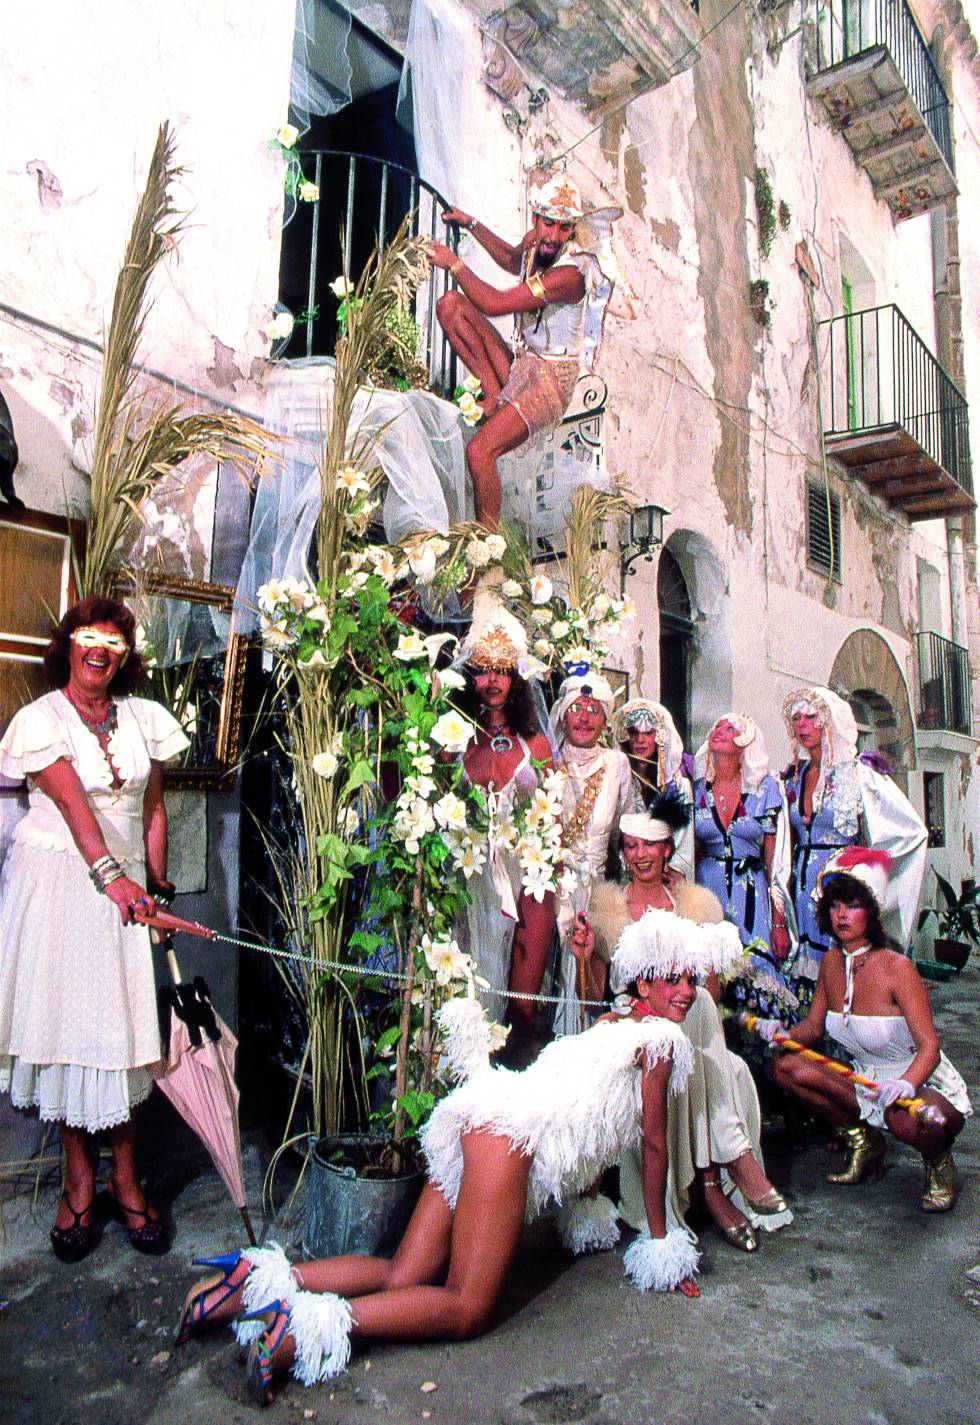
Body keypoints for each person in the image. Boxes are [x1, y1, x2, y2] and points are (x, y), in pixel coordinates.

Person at [173, 914, 718, 1405]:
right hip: (505, 1134)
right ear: (643, 981)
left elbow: (591, 1122)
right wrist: (661, 1242)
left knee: (402, 1274)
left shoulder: (613, 1022)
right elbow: (651, 1143)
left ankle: (247, 1283)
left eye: (692, 978)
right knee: (465, 1308)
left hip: (480, 1109)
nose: (687, 991)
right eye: (674, 978)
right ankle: (294, 1334)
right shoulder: (661, 1042)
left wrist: (589, 1199)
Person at [0, 595, 189, 1260]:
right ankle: (77, 1181)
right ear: (69, 646)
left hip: (128, 890)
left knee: (126, 1034)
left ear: (123, 656)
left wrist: (155, 885)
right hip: (59, 883)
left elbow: (154, 809)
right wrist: (117, 882)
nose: (99, 651)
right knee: (67, 1029)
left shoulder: (144, 719)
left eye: (113, 642)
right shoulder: (39, 720)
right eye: (88, 638)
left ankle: (126, 1178)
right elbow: (76, 807)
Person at [568, 804, 792, 1254]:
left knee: (703, 1008)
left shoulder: (696, 906)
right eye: (630, 846)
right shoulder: (607, 908)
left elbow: (705, 990)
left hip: (690, 1027)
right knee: (693, 1033)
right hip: (633, 1026)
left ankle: (711, 1182)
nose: (640, 855)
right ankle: (723, 1169)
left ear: (669, 848)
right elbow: (595, 996)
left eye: (650, 844)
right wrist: (585, 955)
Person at [758, 848, 970, 1212]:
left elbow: (930, 1048)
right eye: (836, 904)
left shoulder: (898, 967)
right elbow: (813, 1026)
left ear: (872, 911)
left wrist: (906, 1084)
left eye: (853, 905)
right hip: (864, 1080)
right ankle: (863, 1141)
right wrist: (781, 1033)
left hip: (920, 1082)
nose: (842, 914)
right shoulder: (830, 962)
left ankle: (938, 1163)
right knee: (784, 1065)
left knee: (908, 1119)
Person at [428, 176, 592, 528]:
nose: (553, 235)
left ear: (572, 230)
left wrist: (454, 264)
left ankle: (484, 546)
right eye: (548, 224)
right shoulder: (538, 242)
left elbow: (494, 303)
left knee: (480, 452)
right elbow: (510, 259)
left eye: (564, 228)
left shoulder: (571, 275)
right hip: (522, 365)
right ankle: (492, 391)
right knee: (450, 306)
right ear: (536, 219)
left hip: (550, 384)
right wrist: (471, 223)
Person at [776, 686, 927, 1013]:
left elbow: (911, 831)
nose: (803, 725)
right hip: (800, 887)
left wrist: (865, 866)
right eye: (796, 718)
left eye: (811, 717)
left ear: (829, 722)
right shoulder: (793, 778)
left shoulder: (860, 774)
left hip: (837, 888)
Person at [455, 599, 555, 1051]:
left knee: (520, 1001)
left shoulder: (535, 743)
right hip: (466, 878)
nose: (492, 680)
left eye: (502, 670)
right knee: (466, 988)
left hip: (523, 880)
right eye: (483, 669)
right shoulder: (451, 739)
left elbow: (554, 816)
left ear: (516, 680)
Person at [548, 672, 635, 1034]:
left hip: (597, 891)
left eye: (594, 710)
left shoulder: (617, 765)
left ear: (605, 720)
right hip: (548, 887)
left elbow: (627, 830)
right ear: (563, 715)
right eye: (577, 709)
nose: (584, 717)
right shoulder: (545, 759)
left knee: (591, 985)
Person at [692, 715, 790, 958]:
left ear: (745, 743)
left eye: (730, 728)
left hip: (750, 890)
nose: (719, 731)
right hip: (706, 891)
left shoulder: (765, 789)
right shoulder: (697, 790)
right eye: (717, 727)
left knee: (754, 967)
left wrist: (779, 922)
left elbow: (774, 861)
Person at [612, 698, 694, 880]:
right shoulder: (615, 779)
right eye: (633, 732)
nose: (640, 740)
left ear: (660, 737)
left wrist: (672, 875)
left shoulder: (678, 785)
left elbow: (684, 846)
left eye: (648, 733)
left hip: (664, 879)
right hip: (621, 876)